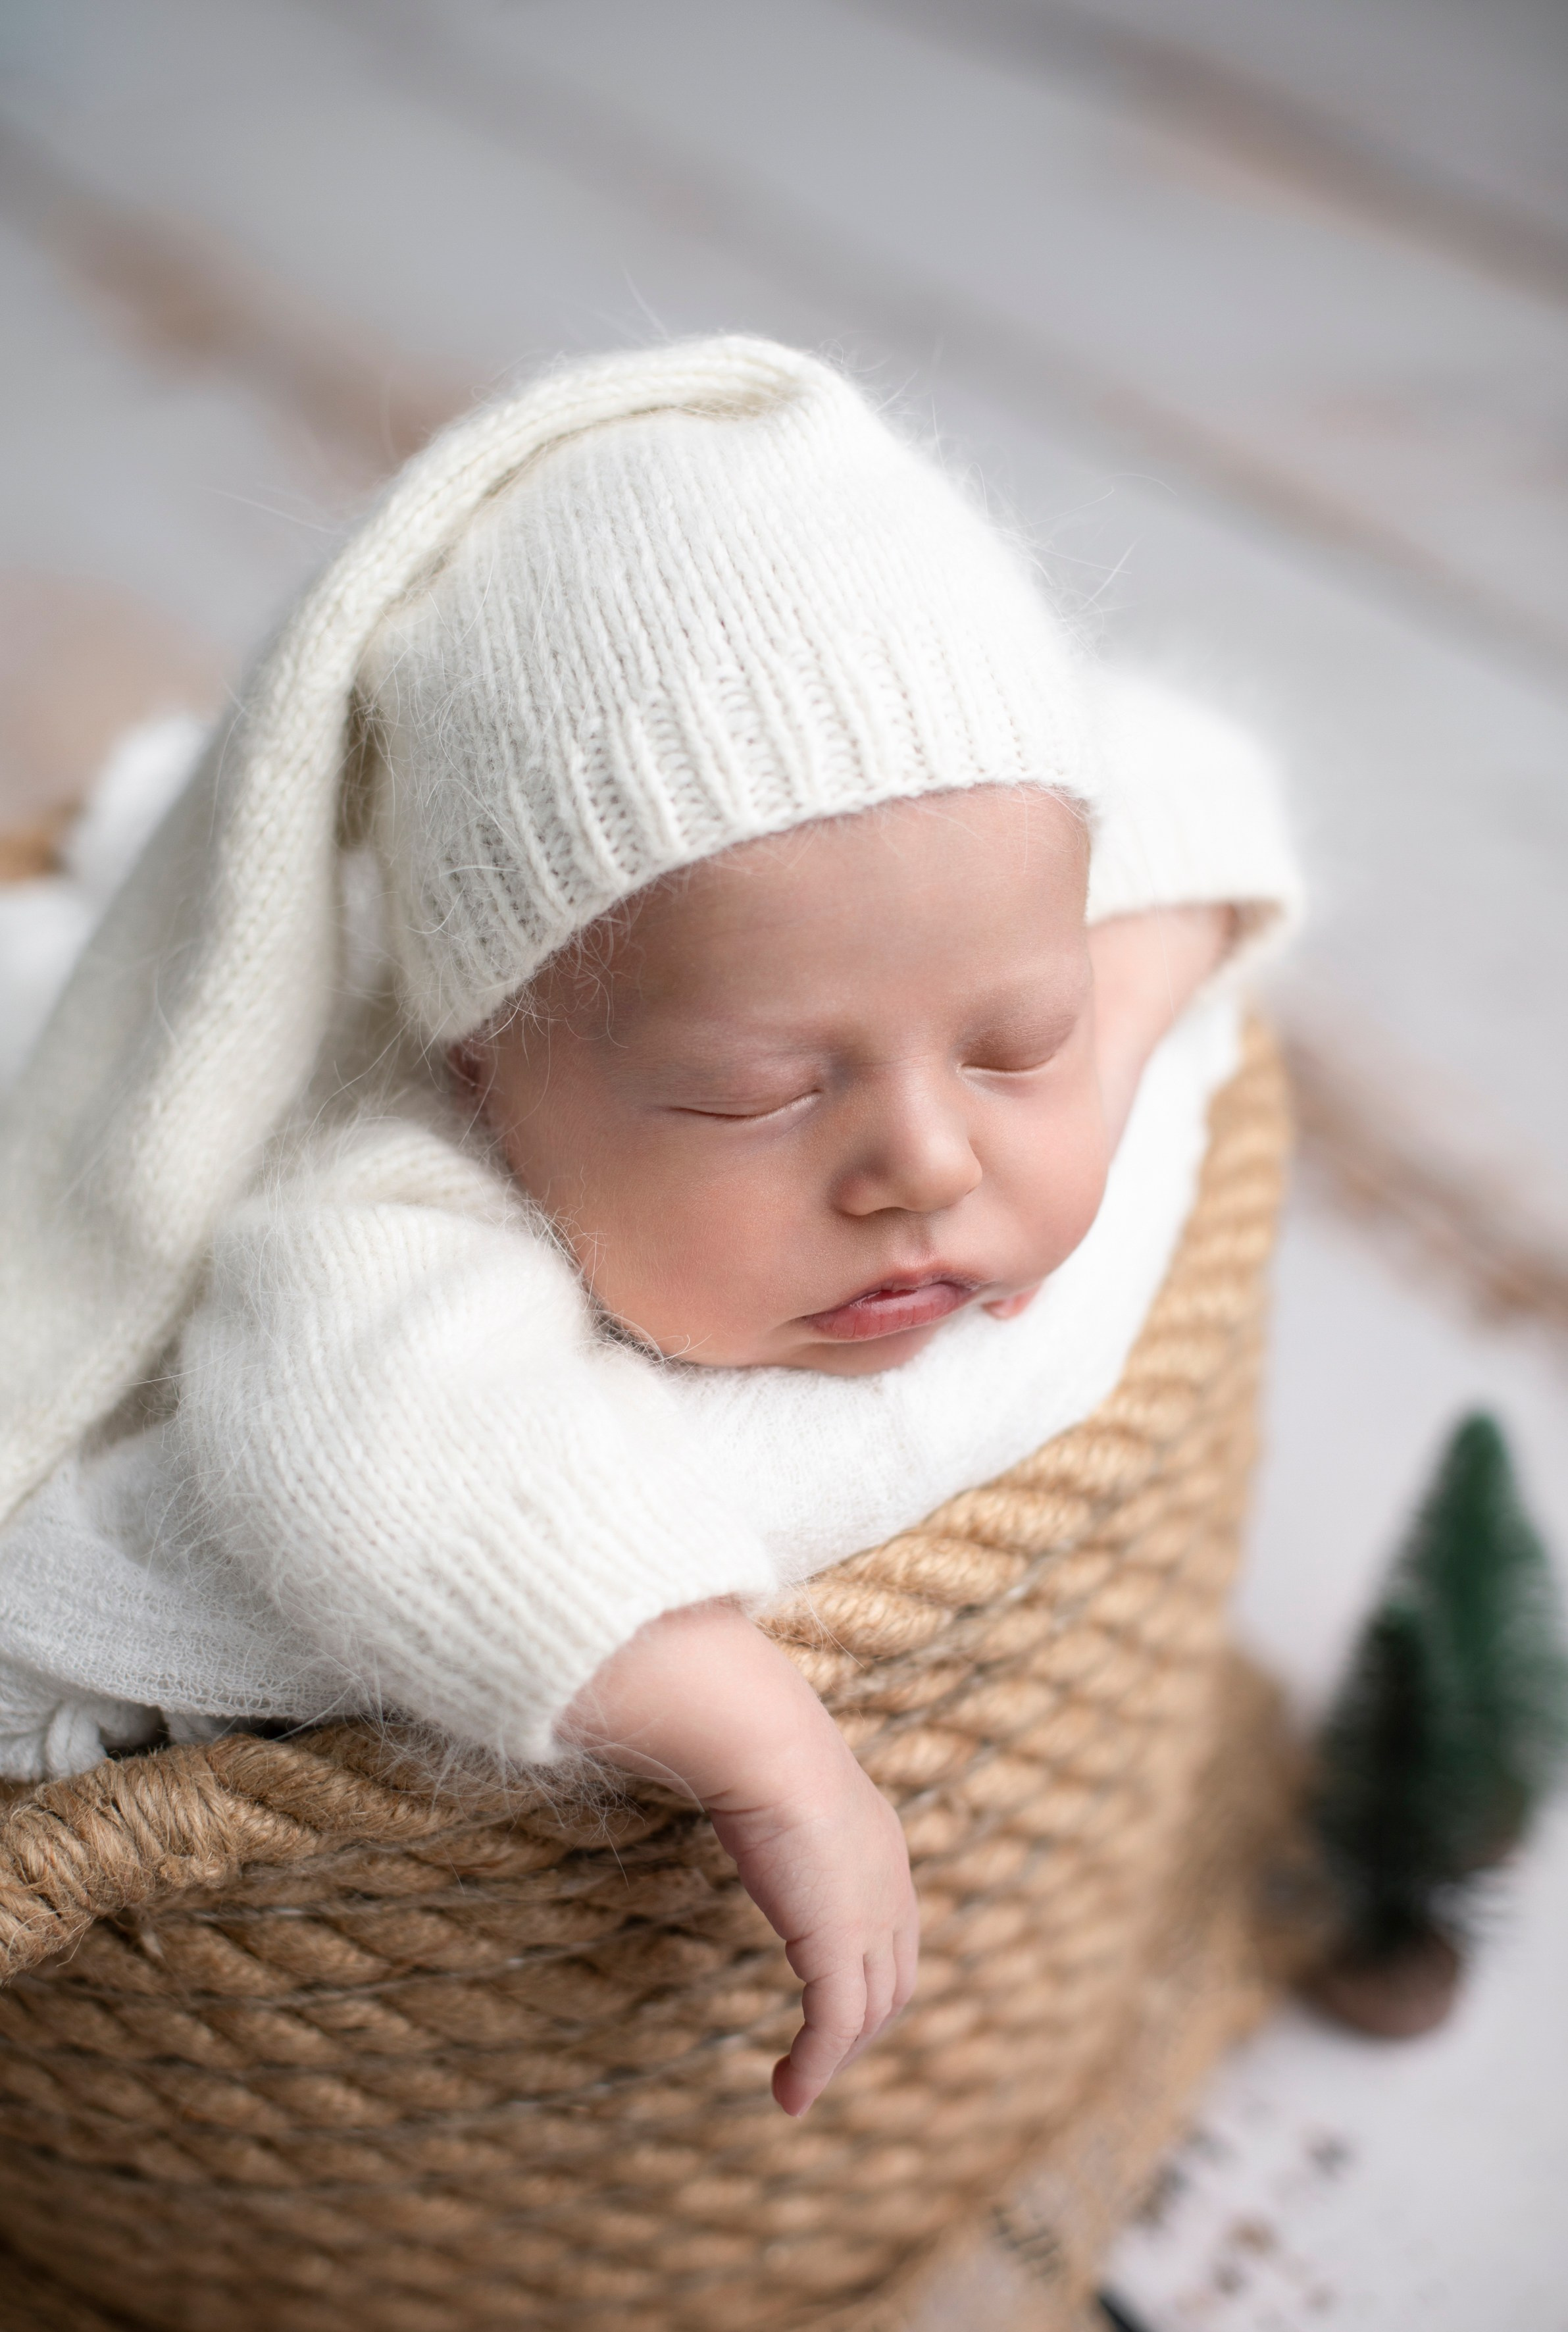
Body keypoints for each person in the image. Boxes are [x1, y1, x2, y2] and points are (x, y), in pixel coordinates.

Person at [0, 337, 1299, 2118]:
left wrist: (1113, 1028)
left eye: (1011, 1039)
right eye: (762, 1093)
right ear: (488, 1060)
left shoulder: (980, 875)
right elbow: (384, 1446)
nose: (924, 1159)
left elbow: (1194, 788)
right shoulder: (394, 1190)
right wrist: (766, 1751)